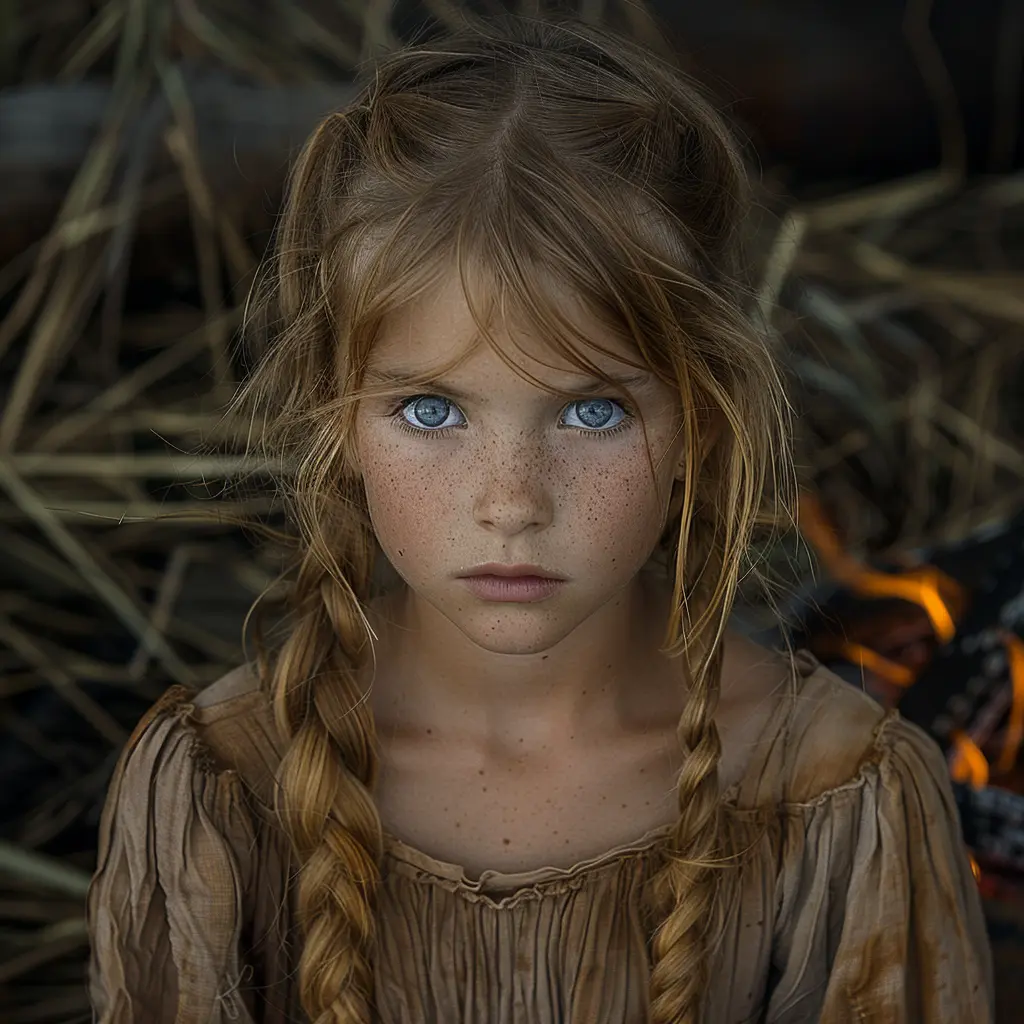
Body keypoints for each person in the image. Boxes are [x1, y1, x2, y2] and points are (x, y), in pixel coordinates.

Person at [84, 11, 994, 1024]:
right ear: (334, 418)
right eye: (430, 411)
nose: (511, 501)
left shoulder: (839, 795)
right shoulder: (223, 789)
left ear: (700, 419)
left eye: (591, 411)